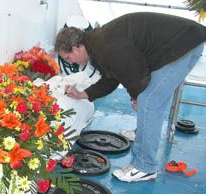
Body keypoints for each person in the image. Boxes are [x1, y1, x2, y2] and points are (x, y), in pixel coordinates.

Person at [54, 12, 206, 182]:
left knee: (149, 102)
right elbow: (111, 79)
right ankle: (143, 131)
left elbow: (137, 75)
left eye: (68, 58)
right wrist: (83, 94)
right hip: (182, 41)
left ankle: (145, 166)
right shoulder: (96, 46)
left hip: (183, 45)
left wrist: (136, 97)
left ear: (76, 48)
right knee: (148, 100)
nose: (70, 62)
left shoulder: (105, 47)